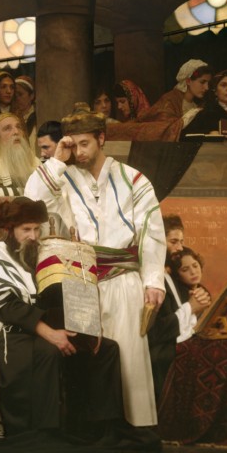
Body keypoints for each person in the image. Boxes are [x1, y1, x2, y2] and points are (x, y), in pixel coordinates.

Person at [25, 102, 166, 431]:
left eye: (85, 143)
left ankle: (134, 429)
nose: (79, 151)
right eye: (72, 144)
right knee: (91, 355)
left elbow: (152, 231)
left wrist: (153, 280)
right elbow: (32, 200)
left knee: (128, 354)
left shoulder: (133, 179)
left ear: (102, 138)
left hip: (123, 278)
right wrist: (57, 159)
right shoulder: (64, 178)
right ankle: (95, 431)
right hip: (81, 282)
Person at [0, 197, 125, 447]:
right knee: (48, 353)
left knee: (106, 349)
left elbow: (55, 297)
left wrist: (88, 327)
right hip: (8, 330)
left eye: (37, 229)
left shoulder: (39, 256)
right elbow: (6, 308)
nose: (34, 236)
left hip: (40, 325)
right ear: (9, 230)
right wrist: (50, 334)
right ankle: (44, 436)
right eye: (26, 229)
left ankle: (98, 431)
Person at [157, 247, 227, 447]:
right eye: (185, 269)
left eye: (195, 266)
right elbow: (179, 330)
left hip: (198, 339)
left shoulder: (201, 291)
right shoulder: (175, 291)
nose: (193, 272)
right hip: (179, 344)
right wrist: (192, 309)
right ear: (177, 274)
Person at [148, 216, 211, 400]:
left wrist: (200, 298)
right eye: (174, 242)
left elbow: (190, 296)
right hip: (161, 351)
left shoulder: (170, 275)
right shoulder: (152, 279)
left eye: (181, 242)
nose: (180, 248)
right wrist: (191, 307)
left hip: (178, 343)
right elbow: (155, 331)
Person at [13, 75, 36, 148]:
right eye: (14, 96)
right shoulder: (10, 116)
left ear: (31, 96)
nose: (17, 99)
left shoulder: (37, 116)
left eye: (20, 94)